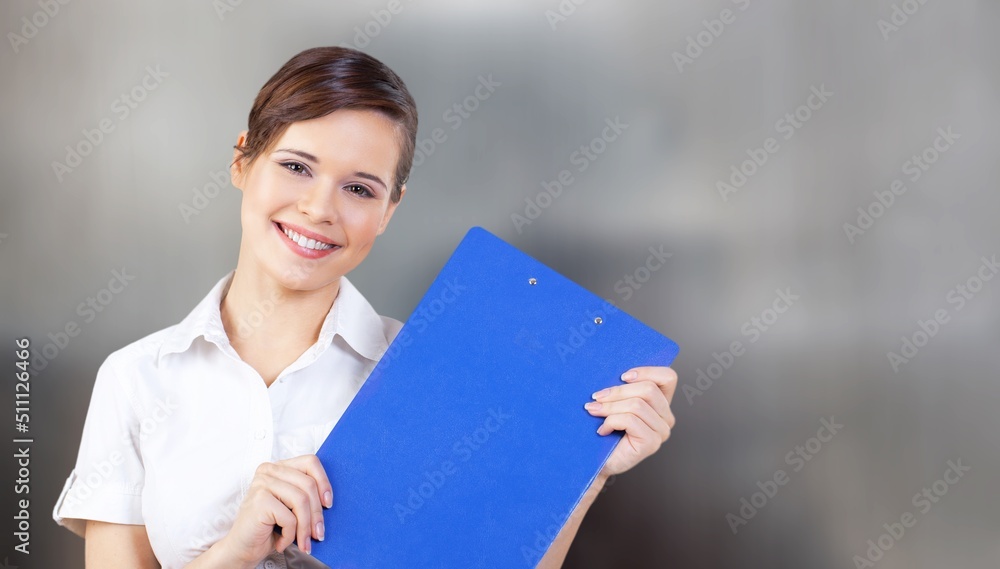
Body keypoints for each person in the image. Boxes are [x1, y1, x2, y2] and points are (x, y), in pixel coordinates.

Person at [51, 46, 680, 569]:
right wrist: (234, 553)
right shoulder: (136, 378)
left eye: (358, 188)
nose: (320, 209)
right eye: (297, 167)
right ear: (243, 160)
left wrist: (584, 466)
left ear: (390, 209)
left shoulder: (432, 370)